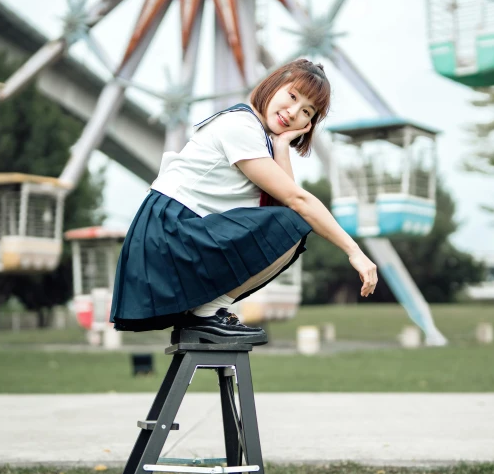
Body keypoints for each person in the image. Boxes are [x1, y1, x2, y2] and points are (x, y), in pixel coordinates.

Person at [110, 59, 378, 345]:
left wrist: (281, 147)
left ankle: (207, 313)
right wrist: (354, 251)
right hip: (167, 234)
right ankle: (207, 314)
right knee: (293, 222)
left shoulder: (260, 137)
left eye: (306, 112)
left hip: (179, 232)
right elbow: (296, 201)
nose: (293, 112)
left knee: (289, 225)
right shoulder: (239, 126)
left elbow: (286, 206)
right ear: (273, 85)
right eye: (292, 96)